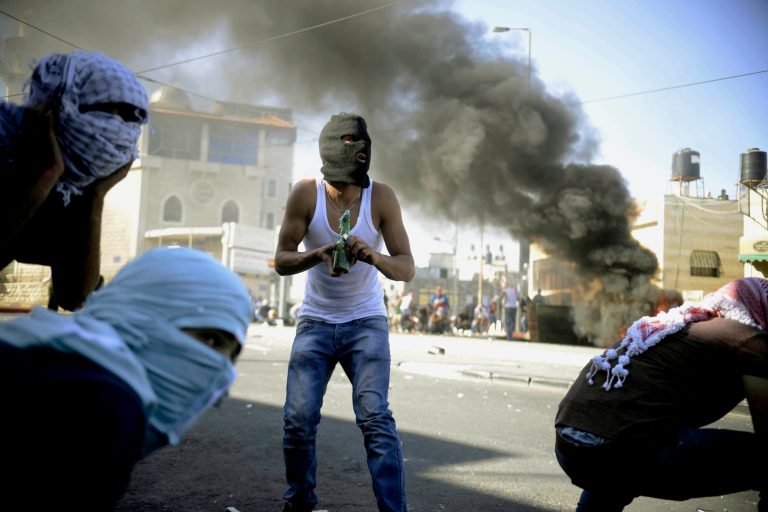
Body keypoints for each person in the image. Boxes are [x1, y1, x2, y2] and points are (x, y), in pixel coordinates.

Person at [0, 246, 252, 510]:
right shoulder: (99, 404)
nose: (222, 377)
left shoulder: (39, 348)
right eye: (211, 340)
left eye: (231, 356)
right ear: (145, 311)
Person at [274, 112, 414, 512]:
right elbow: (282, 260)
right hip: (316, 321)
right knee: (297, 421)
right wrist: (316, 254)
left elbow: (406, 267)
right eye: (337, 182)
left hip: (366, 321)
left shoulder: (381, 197)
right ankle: (300, 501)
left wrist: (372, 256)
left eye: (351, 183)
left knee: (375, 419)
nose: (345, 191)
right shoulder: (306, 194)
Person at [554, 277, 768, 511]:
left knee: (617, 458)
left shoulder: (681, 325)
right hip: (621, 450)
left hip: (570, 444)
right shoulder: (747, 340)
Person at [0, 50, 149, 311]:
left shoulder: (71, 189)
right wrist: (42, 178)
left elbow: (75, 296)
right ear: (54, 108)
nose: (115, 125)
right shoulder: (7, 148)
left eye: (127, 115)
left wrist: (95, 197)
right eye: (105, 110)